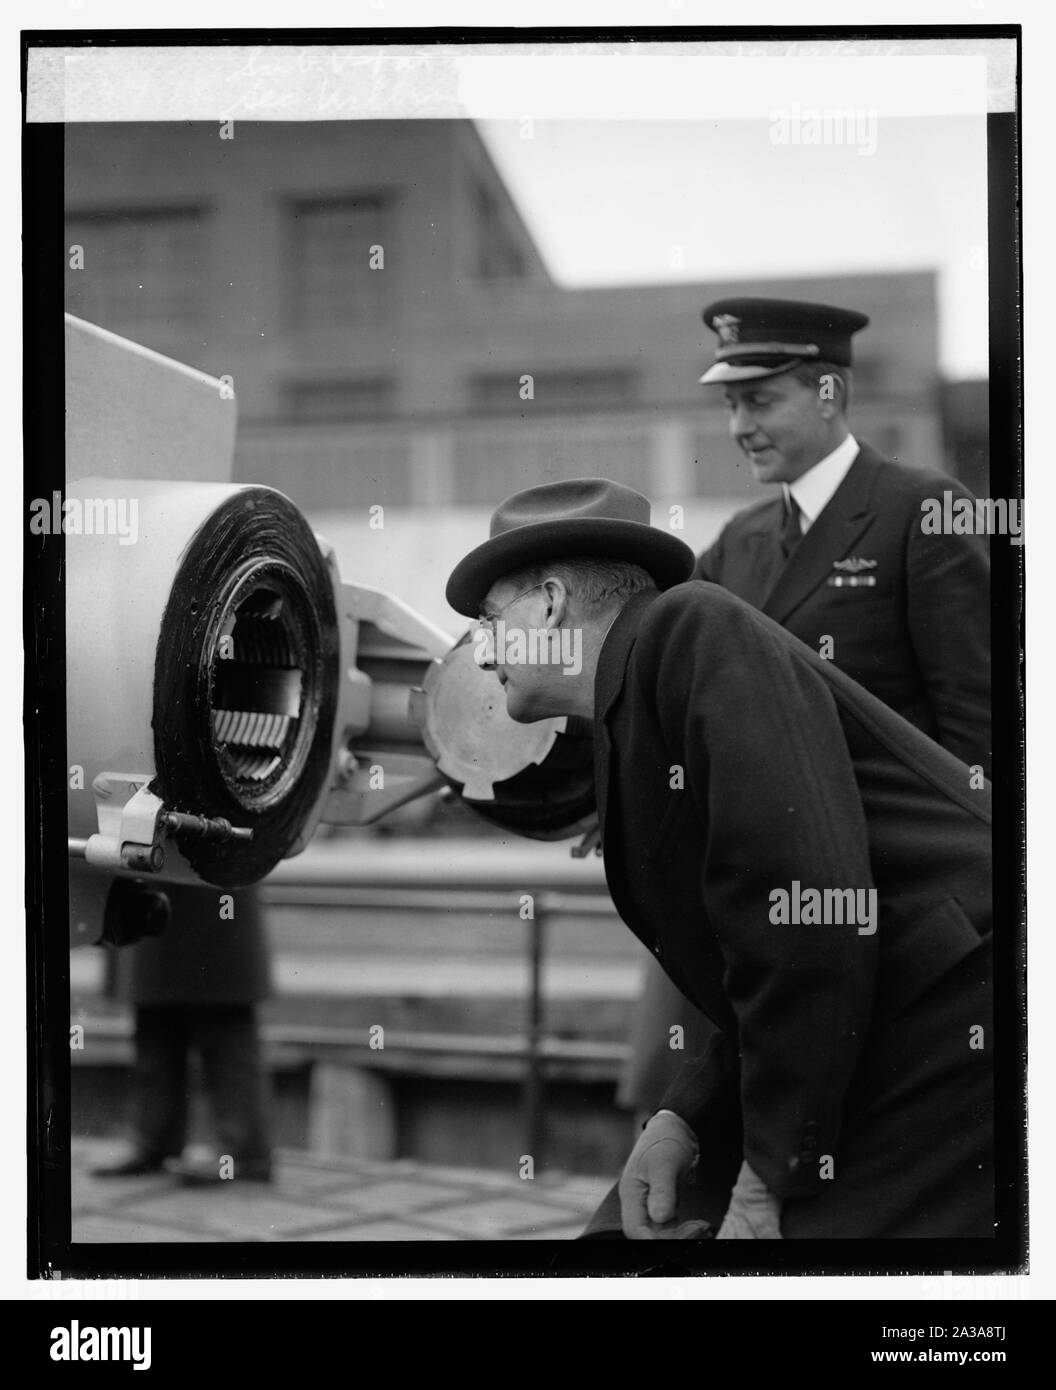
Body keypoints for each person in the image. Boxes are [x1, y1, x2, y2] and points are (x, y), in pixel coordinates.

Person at [446, 477, 993, 1239]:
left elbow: (805, 912)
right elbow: (755, 951)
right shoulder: (635, 693)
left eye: (488, 620)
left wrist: (769, 1180)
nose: (480, 653)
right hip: (859, 1034)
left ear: (548, 606)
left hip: (952, 1030)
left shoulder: (690, 630)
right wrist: (682, 1115)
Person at [621, 295, 992, 1122]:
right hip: (743, 895)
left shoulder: (922, 512)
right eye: (729, 405)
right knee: (687, 1119)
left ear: (829, 394)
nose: (739, 426)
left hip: (877, 901)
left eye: (760, 401)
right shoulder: (738, 544)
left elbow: (980, 742)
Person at [92, 881, 273, 1186]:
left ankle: (242, 1152)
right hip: (146, 872)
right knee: (153, 1019)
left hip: (214, 874)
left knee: (224, 1017)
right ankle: (154, 1141)